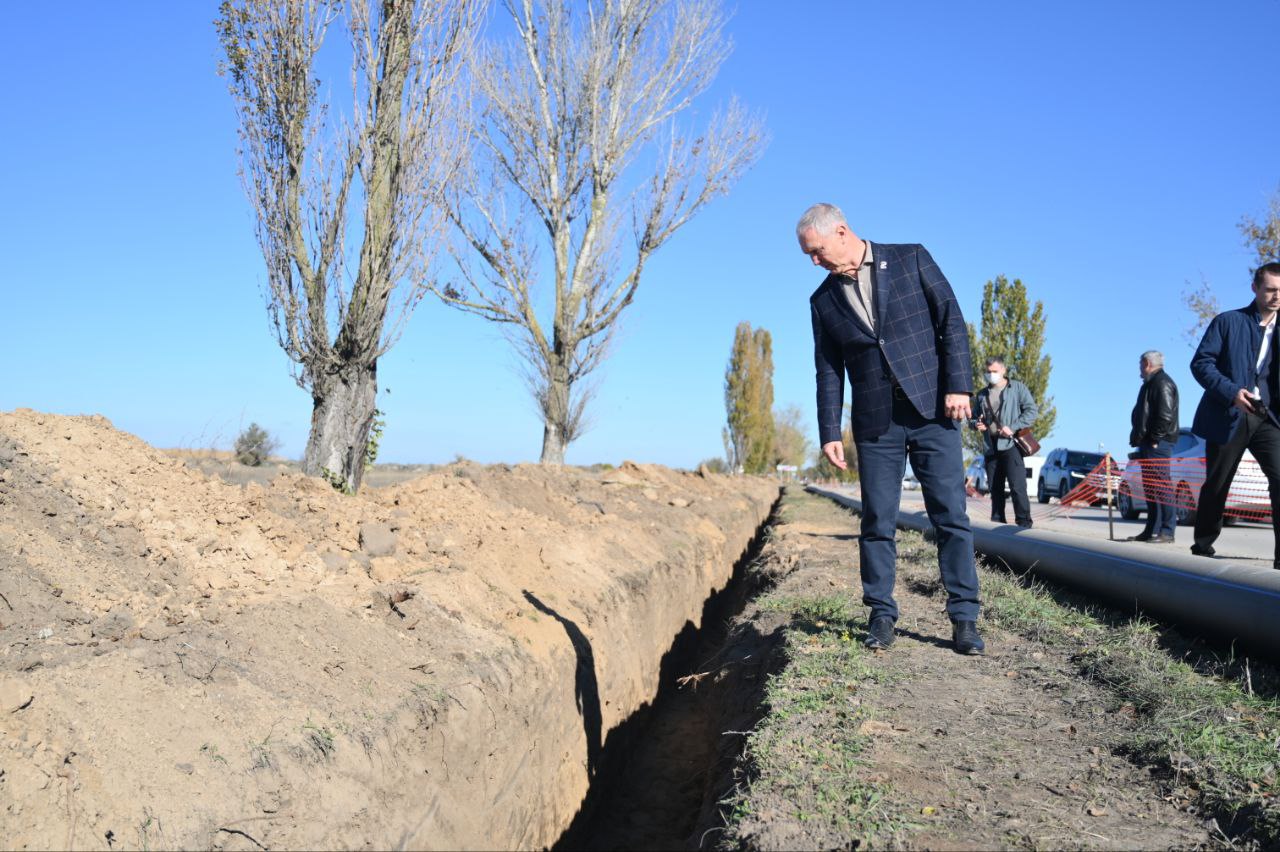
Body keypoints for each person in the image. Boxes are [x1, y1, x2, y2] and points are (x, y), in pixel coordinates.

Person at [799, 202, 984, 655]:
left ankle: (964, 616)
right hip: (875, 424)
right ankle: (881, 614)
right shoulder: (822, 301)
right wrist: (828, 431)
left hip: (932, 413)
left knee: (951, 517)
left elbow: (951, 323)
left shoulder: (910, 258)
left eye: (817, 251)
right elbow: (828, 371)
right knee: (878, 520)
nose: (814, 261)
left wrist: (960, 386)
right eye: (809, 255)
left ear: (841, 231)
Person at [1189, 261, 1280, 569]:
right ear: (1255, 288)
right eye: (1270, 289)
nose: (1276, 296)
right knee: (1218, 481)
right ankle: (1203, 544)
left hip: (1267, 417)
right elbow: (1201, 364)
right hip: (1228, 412)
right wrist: (1231, 392)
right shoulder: (1228, 322)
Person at [973, 357, 1039, 527]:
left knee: (1018, 487)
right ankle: (997, 523)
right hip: (991, 446)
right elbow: (972, 418)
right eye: (988, 372)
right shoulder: (982, 394)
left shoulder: (1017, 388)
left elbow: (1032, 411)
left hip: (1011, 445)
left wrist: (1014, 426)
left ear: (1003, 370)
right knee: (995, 489)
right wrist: (976, 424)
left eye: (994, 371)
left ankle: (1024, 524)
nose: (991, 375)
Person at [1127, 350, 1179, 543]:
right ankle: (1151, 530)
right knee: (1151, 487)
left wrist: (1155, 438)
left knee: (1162, 486)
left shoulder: (1162, 383)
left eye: (1141, 364)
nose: (1139, 369)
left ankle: (1167, 532)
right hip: (1147, 443)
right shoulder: (1150, 383)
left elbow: (1165, 416)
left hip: (1157, 444)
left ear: (1148, 363)